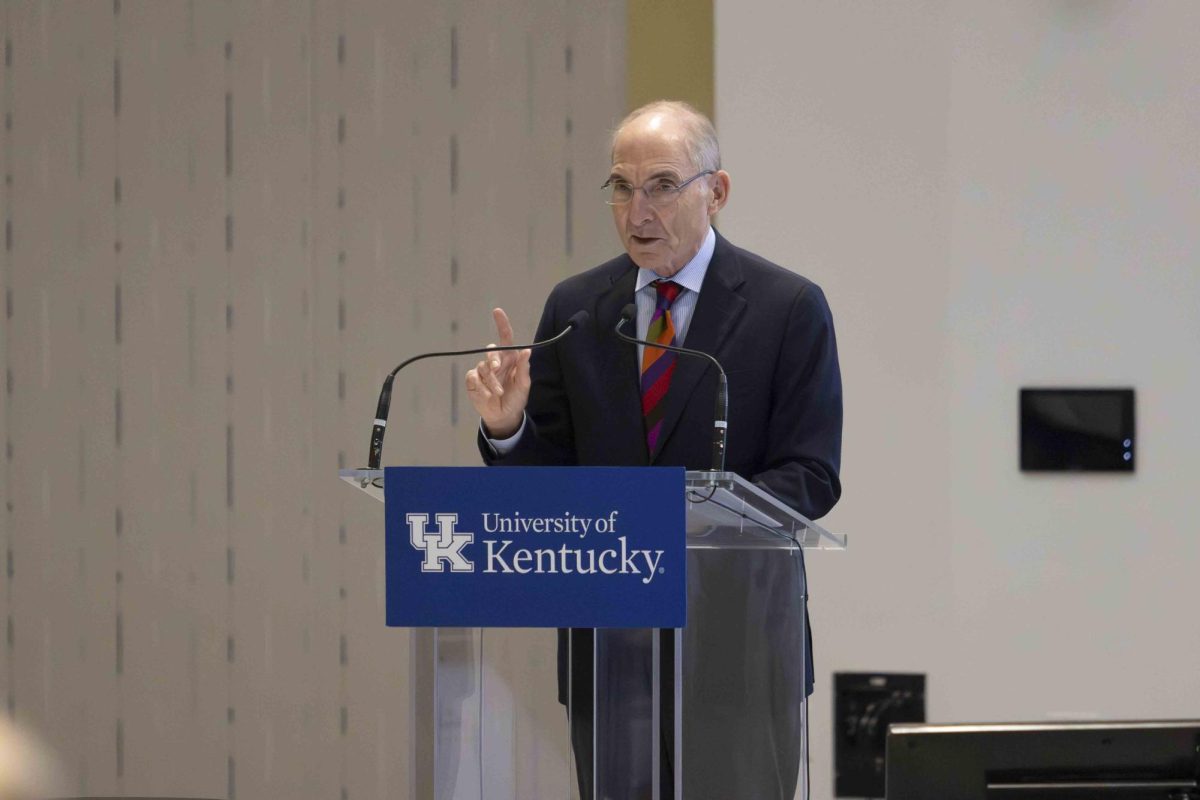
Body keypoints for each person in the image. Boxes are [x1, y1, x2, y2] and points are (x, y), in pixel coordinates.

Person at [465, 100, 842, 799]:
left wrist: (688, 518)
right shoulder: (578, 309)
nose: (638, 210)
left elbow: (812, 476)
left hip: (739, 652)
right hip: (612, 654)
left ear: (716, 192)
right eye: (621, 187)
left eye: (662, 185)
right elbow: (549, 482)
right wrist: (509, 428)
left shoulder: (787, 307)